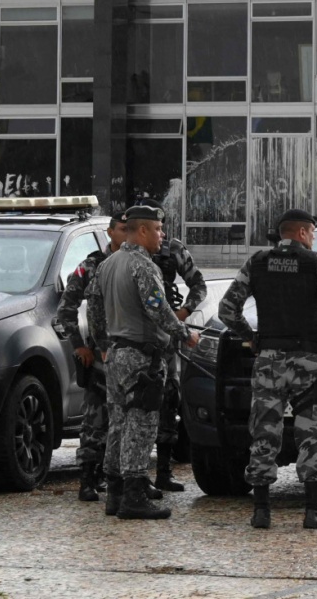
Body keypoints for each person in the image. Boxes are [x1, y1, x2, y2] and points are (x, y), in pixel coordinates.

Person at [218, 208, 317, 530]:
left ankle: (261, 511)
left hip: (268, 361)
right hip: (308, 359)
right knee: (310, 432)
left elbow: (227, 309)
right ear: (303, 232)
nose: (313, 239)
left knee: (264, 431)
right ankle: (313, 511)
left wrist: (251, 338)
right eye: (313, 233)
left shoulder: (257, 262)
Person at [88, 204, 199, 520]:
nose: (162, 236)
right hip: (141, 357)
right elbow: (158, 310)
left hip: (116, 355)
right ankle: (134, 497)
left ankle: (115, 494)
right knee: (141, 425)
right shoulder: (143, 266)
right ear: (142, 230)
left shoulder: (108, 264)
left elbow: (94, 310)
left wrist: (103, 345)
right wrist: (184, 334)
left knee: (118, 424)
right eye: (158, 229)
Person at [56, 216, 133, 503]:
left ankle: (123, 479)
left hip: (131, 354)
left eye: (131, 229)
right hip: (101, 356)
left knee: (130, 420)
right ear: (110, 232)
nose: (127, 234)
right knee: (95, 420)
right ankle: (87, 479)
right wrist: (79, 346)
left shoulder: (139, 264)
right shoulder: (91, 266)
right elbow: (65, 310)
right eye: (122, 229)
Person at [137, 196, 207, 493]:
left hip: (165, 339)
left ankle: (163, 471)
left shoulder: (172, 249)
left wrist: (183, 313)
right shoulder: (124, 252)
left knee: (168, 401)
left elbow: (198, 284)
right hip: (135, 337)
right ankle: (129, 476)